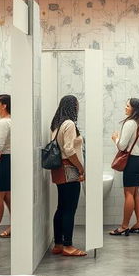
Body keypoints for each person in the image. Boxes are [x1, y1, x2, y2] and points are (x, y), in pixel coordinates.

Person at [49, 95, 87, 257]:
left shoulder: (57, 124)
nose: (78, 108)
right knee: (70, 209)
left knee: (61, 207)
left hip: (58, 169)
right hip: (69, 168)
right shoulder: (70, 124)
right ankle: (68, 246)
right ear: (73, 106)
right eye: (77, 105)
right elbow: (69, 150)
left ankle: (58, 244)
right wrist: (80, 167)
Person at [110, 98, 139, 236]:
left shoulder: (130, 123)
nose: (125, 108)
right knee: (136, 192)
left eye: (127, 106)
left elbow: (122, 146)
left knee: (128, 194)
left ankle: (124, 226)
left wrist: (115, 139)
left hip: (132, 162)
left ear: (134, 109)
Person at [0, 94, 12, 239]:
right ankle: (16, 225)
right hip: (9, 160)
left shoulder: (3, 123)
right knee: (7, 196)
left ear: (4, 105)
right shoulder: (11, 120)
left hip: (3, 160)